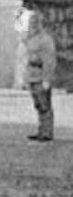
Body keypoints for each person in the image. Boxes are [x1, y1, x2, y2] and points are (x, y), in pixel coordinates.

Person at [25, 11, 57, 142]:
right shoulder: (32, 38)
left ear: (41, 24)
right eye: (31, 23)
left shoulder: (46, 40)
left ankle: (47, 132)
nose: (33, 25)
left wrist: (46, 79)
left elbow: (49, 62)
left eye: (35, 23)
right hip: (33, 76)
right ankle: (41, 130)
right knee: (38, 105)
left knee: (45, 106)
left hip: (40, 76)